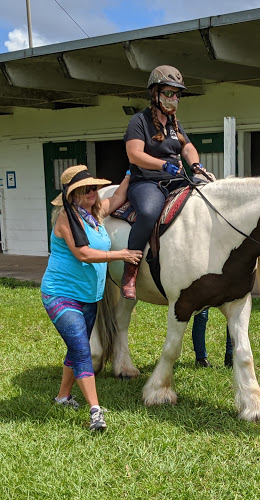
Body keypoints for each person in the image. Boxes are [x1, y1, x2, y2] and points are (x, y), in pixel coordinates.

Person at [41, 165, 143, 432]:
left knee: (76, 349)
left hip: (88, 297)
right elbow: (84, 254)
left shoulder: (94, 213)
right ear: (72, 195)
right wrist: (121, 255)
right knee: (83, 351)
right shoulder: (65, 218)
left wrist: (131, 173)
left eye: (95, 188)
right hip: (60, 295)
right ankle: (96, 411)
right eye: (86, 190)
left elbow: (119, 198)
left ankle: (63, 396)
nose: (93, 193)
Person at [122, 65, 208, 300]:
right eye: (168, 93)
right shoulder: (138, 121)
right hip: (147, 182)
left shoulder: (175, 124)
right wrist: (162, 165)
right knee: (149, 213)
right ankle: (130, 271)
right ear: (155, 94)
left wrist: (196, 166)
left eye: (177, 94)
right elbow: (134, 155)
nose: (173, 99)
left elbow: (187, 147)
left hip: (177, 180)